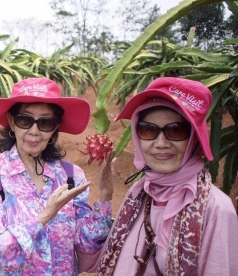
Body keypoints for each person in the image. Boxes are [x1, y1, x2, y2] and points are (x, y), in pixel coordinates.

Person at [96, 77, 238, 275]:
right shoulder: (138, 195)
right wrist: (104, 196)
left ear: (194, 138)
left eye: (176, 130)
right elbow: (97, 258)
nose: (161, 143)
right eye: (148, 130)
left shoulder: (216, 209)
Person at [0, 77, 113, 275]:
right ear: (12, 122)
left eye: (45, 122)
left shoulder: (70, 176)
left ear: (55, 127)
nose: (34, 131)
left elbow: (87, 244)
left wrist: (106, 195)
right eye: (25, 120)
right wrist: (44, 216)